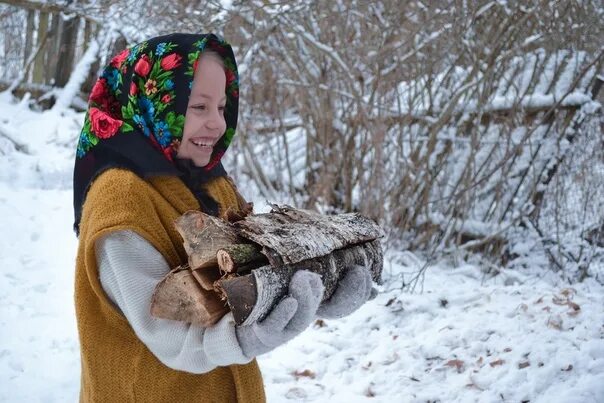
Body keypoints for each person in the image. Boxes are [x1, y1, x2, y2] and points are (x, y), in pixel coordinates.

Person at [73, 33, 376, 402]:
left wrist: (316, 289)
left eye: (221, 107)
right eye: (199, 107)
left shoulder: (207, 178)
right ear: (154, 101)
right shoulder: (120, 200)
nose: (217, 123)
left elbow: (252, 275)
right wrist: (247, 335)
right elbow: (171, 336)